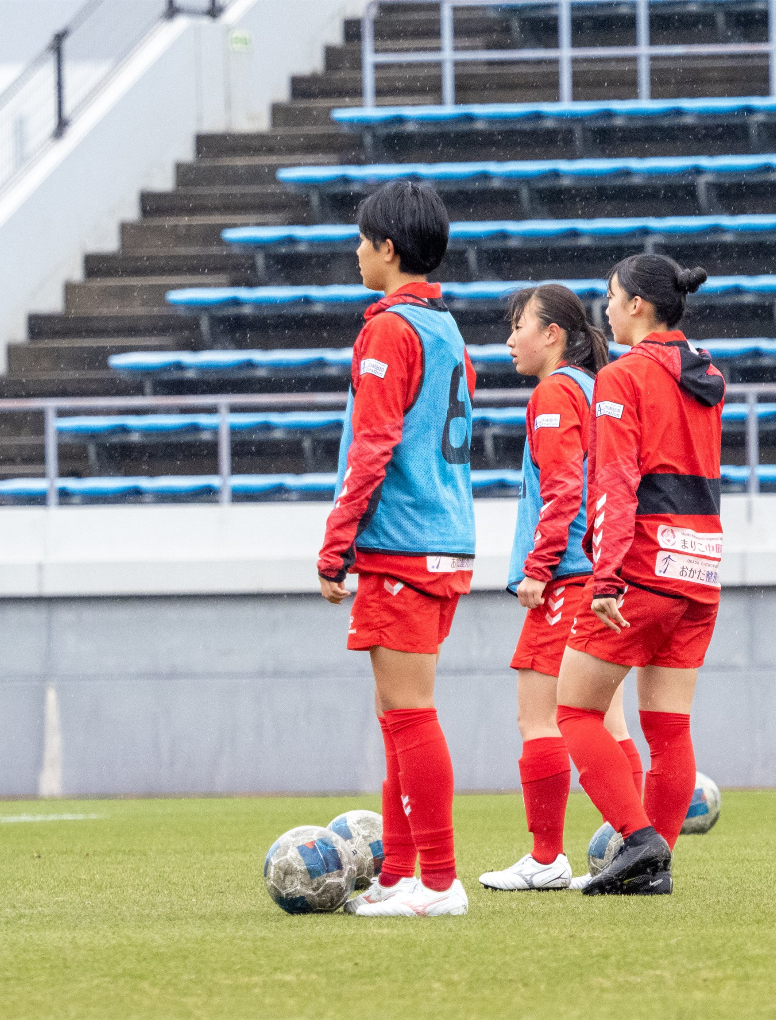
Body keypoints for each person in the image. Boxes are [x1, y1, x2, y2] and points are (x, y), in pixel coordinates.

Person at [317, 179, 475, 918]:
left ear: (386, 248)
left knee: (409, 713)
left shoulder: (390, 328)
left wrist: (335, 544)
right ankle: (401, 873)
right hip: (441, 537)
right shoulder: (444, 327)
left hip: (404, 542)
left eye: (360, 240)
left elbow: (373, 444)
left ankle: (438, 883)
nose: (354, 252)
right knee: (397, 713)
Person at [554, 254, 725, 896]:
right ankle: (656, 866)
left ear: (637, 307)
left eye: (611, 295)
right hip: (700, 568)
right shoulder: (705, 374)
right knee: (668, 726)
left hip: (645, 567)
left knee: (573, 709)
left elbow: (616, 484)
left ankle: (639, 839)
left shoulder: (624, 378)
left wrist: (604, 578)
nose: (605, 307)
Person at [477, 284, 645, 893]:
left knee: (538, 719)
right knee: (609, 723)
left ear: (552, 334)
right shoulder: (595, 387)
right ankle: (639, 844)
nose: (509, 339)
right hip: (604, 573)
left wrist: (538, 567)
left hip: (569, 576)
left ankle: (547, 858)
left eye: (518, 326)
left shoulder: (553, 392)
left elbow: (565, 489)